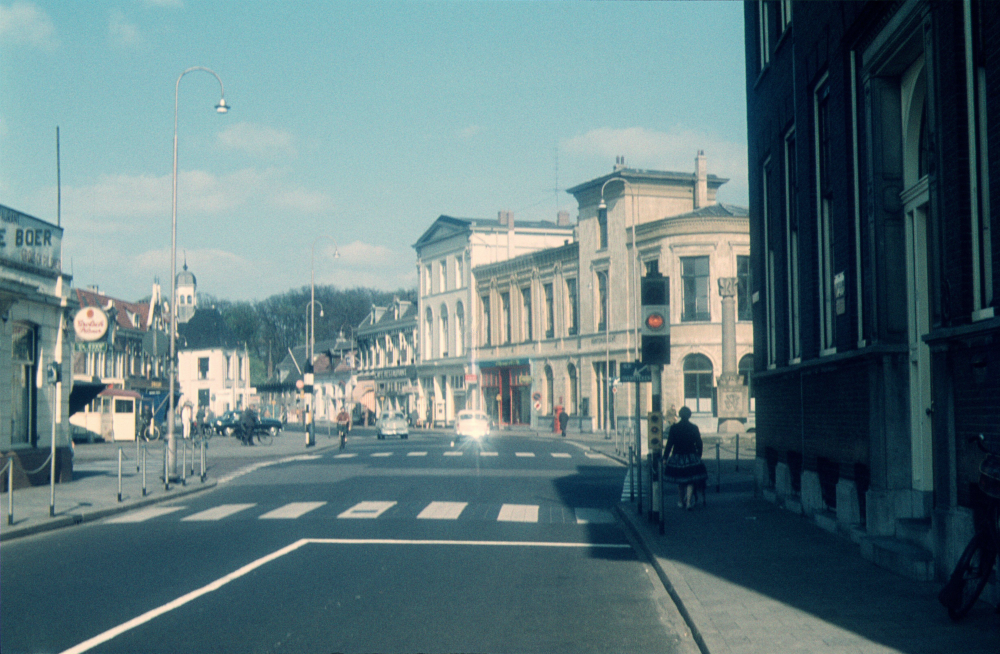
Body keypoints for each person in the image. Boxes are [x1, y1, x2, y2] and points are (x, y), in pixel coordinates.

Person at [662, 406, 708, 510]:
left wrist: (665, 457)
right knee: (690, 480)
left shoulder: (674, 428)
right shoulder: (694, 427)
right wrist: (698, 455)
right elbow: (699, 442)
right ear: (689, 415)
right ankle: (688, 502)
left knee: (680, 480)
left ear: (680, 415)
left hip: (678, 457)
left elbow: (670, 444)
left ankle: (680, 501)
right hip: (691, 456)